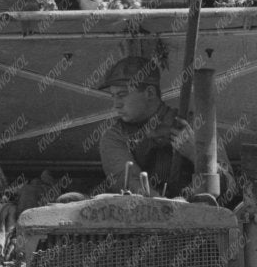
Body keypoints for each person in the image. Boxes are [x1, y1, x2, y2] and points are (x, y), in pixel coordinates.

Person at [97, 55, 232, 198]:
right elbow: (134, 188)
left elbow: (229, 186)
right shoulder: (115, 137)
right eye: (114, 96)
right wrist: (172, 206)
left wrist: (196, 154)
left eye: (122, 95)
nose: (116, 104)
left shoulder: (194, 127)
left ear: (149, 92)